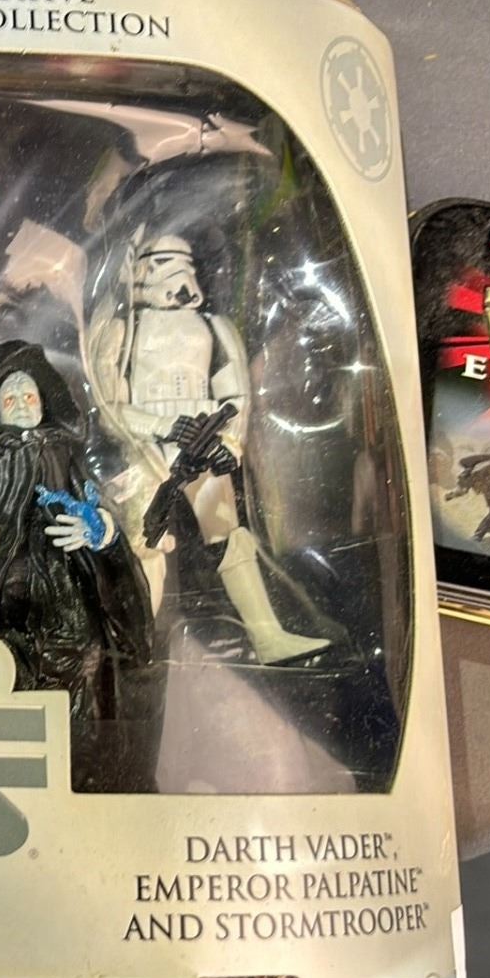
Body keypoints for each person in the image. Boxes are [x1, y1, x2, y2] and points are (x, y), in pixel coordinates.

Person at [88, 235, 328, 662]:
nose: (175, 272)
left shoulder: (215, 327)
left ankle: (267, 636)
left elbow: (236, 394)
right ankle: (135, 644)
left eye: (182, 261)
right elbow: (110, 408)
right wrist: (162, 426)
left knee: (232, 540)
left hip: (204, 446)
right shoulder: (123, 331)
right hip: (147, 454)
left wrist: (228, 442)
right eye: (162, 262)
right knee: (145, 547)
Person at [0, 341, 153, 723]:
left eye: (28, 395)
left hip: (65, 604)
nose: (20, 404)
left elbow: (106, 511)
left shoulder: (64, 453)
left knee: (77, 703)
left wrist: (98, 528)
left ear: (43, 400)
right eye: (10, 397)